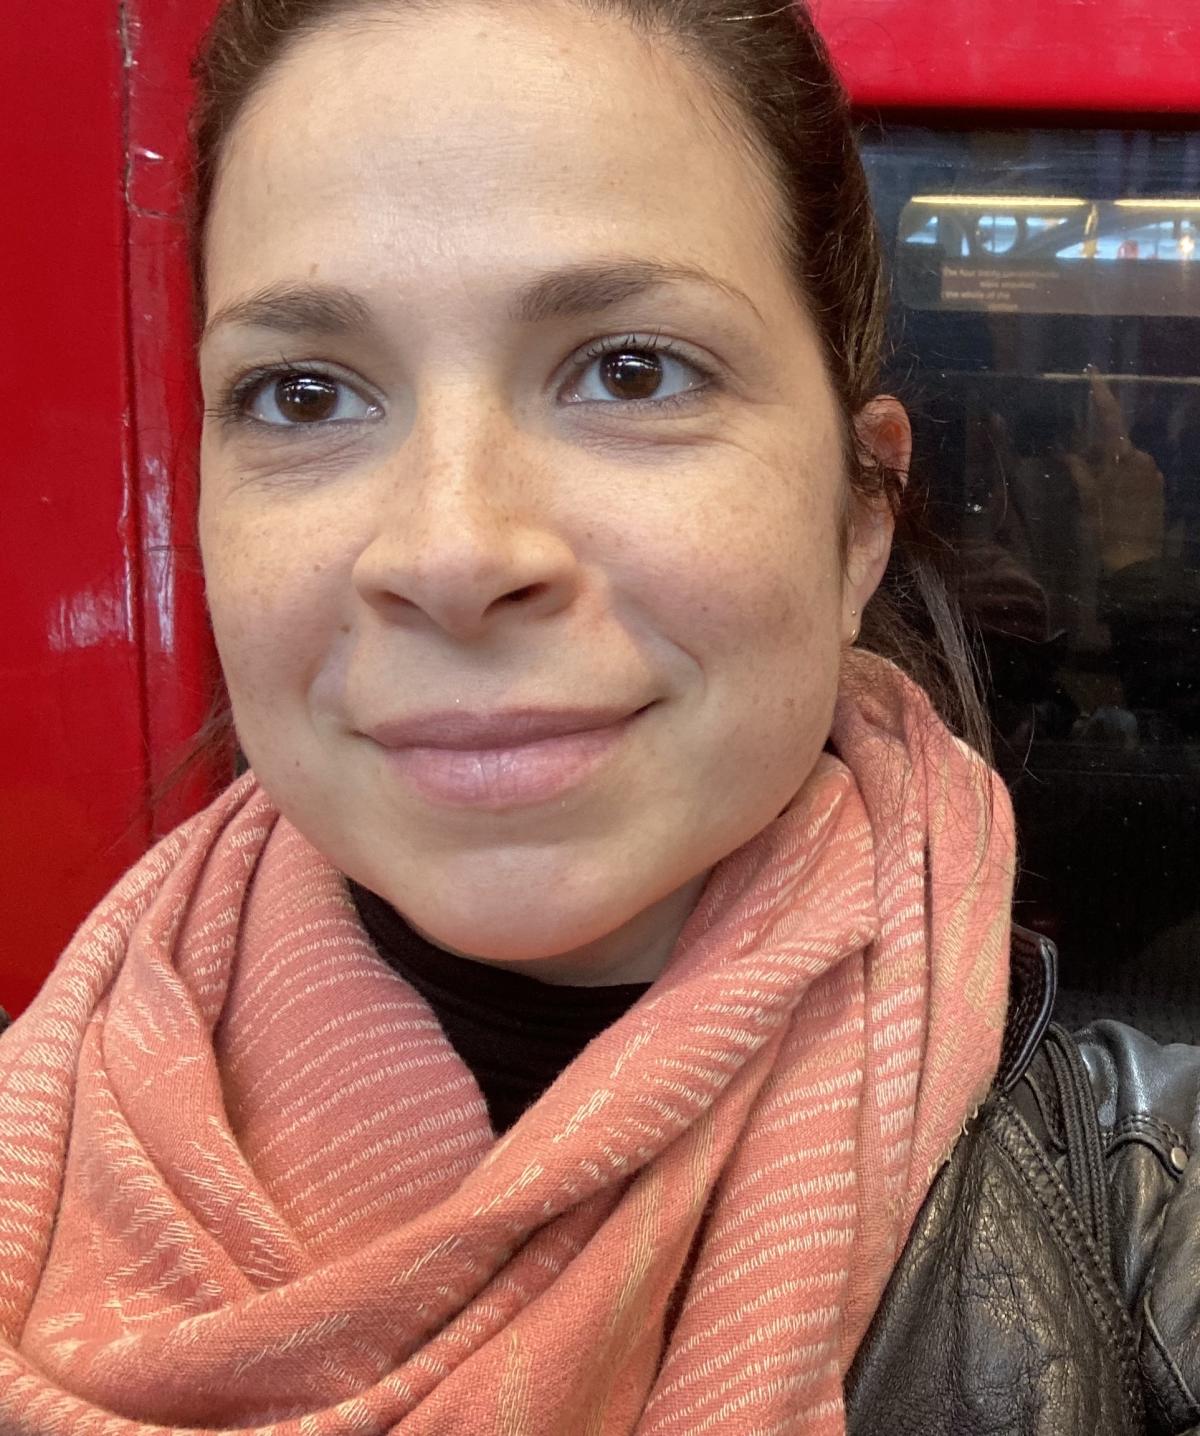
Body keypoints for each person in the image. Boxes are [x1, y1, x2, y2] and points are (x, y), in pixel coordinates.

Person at [1, 2, 1197, 1432]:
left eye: (632, 369)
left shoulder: (1147, 1231)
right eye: (304, 393)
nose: (451, 554)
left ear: (859, 518)